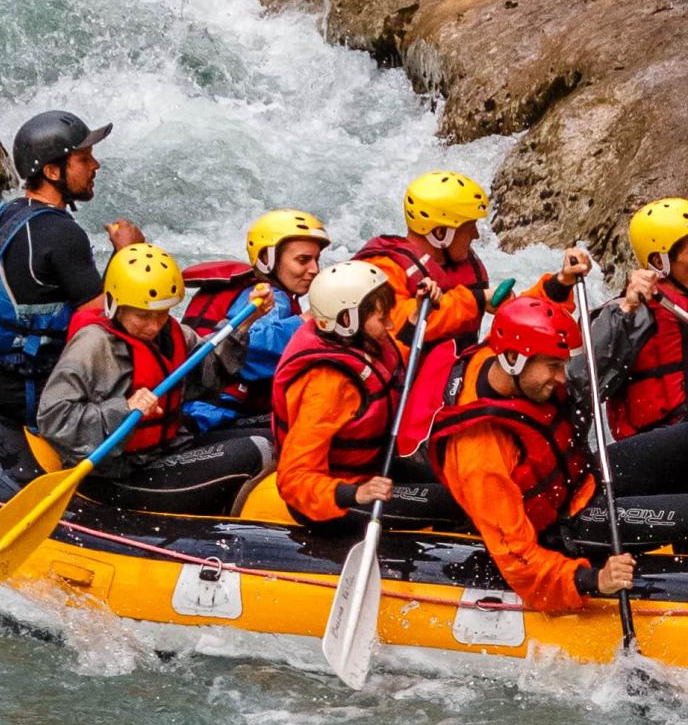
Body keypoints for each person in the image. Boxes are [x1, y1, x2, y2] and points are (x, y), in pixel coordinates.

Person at [402, 295, 688, 613]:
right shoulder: (479, 455)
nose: (562, 377)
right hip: (566, 527)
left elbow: (527, 309)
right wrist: (593, 580)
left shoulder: (498, 353)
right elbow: (518, 560)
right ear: (513, 359)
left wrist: (562, 284)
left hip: (581, 478)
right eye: (552, 366)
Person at [567, 197, 688, 558]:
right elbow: (581, 380)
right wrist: (627, 308)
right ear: (659, 262)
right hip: (667, 448)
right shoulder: (631, 312)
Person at [36, 244, 275, 516]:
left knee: (275, 437)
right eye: (142, 315)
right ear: (115, 305)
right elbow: (53, 419)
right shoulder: (92, 346)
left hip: (168, 449)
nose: (154, 325)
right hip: (117, 473)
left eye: (162, 313)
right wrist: (124, 410)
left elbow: (209, 376)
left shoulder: (172, 333)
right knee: (257, 450)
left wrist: (245, 322)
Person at [0, 110, 143, 425]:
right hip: (45, 398)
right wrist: (128, 252)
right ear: (52, 171)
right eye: (83, 159)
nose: (95, 166)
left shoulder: (1, 218)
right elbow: (102, 321)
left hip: (9, 383)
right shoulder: (61, 233)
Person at [270, 261, 461, 531]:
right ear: (347, 321)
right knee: (458, 502)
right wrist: (356, 493)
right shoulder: (327, 386)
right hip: (337, 497)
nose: (390, 324)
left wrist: (418, 315)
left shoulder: (358, 342)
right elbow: (293, 479)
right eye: (382, 319)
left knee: (464, 479)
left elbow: (392, 367)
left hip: (373, 466)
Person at [183, 209, 330, 434]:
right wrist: (306, 322)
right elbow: (249, 350)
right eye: (303, 260)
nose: (314, 270)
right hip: (209, 417)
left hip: (195, 408)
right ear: (266, 259)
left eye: (316, 260)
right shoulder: (270, 298)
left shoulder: (241, 289)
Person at [352, 170, 501, 350]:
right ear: (440, 233)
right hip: (412, 367)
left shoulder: (462, 261)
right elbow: (398, 327)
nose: (476, 235)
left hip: (456, 362)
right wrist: (478, 299)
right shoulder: (383, 268)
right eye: (469, 227)